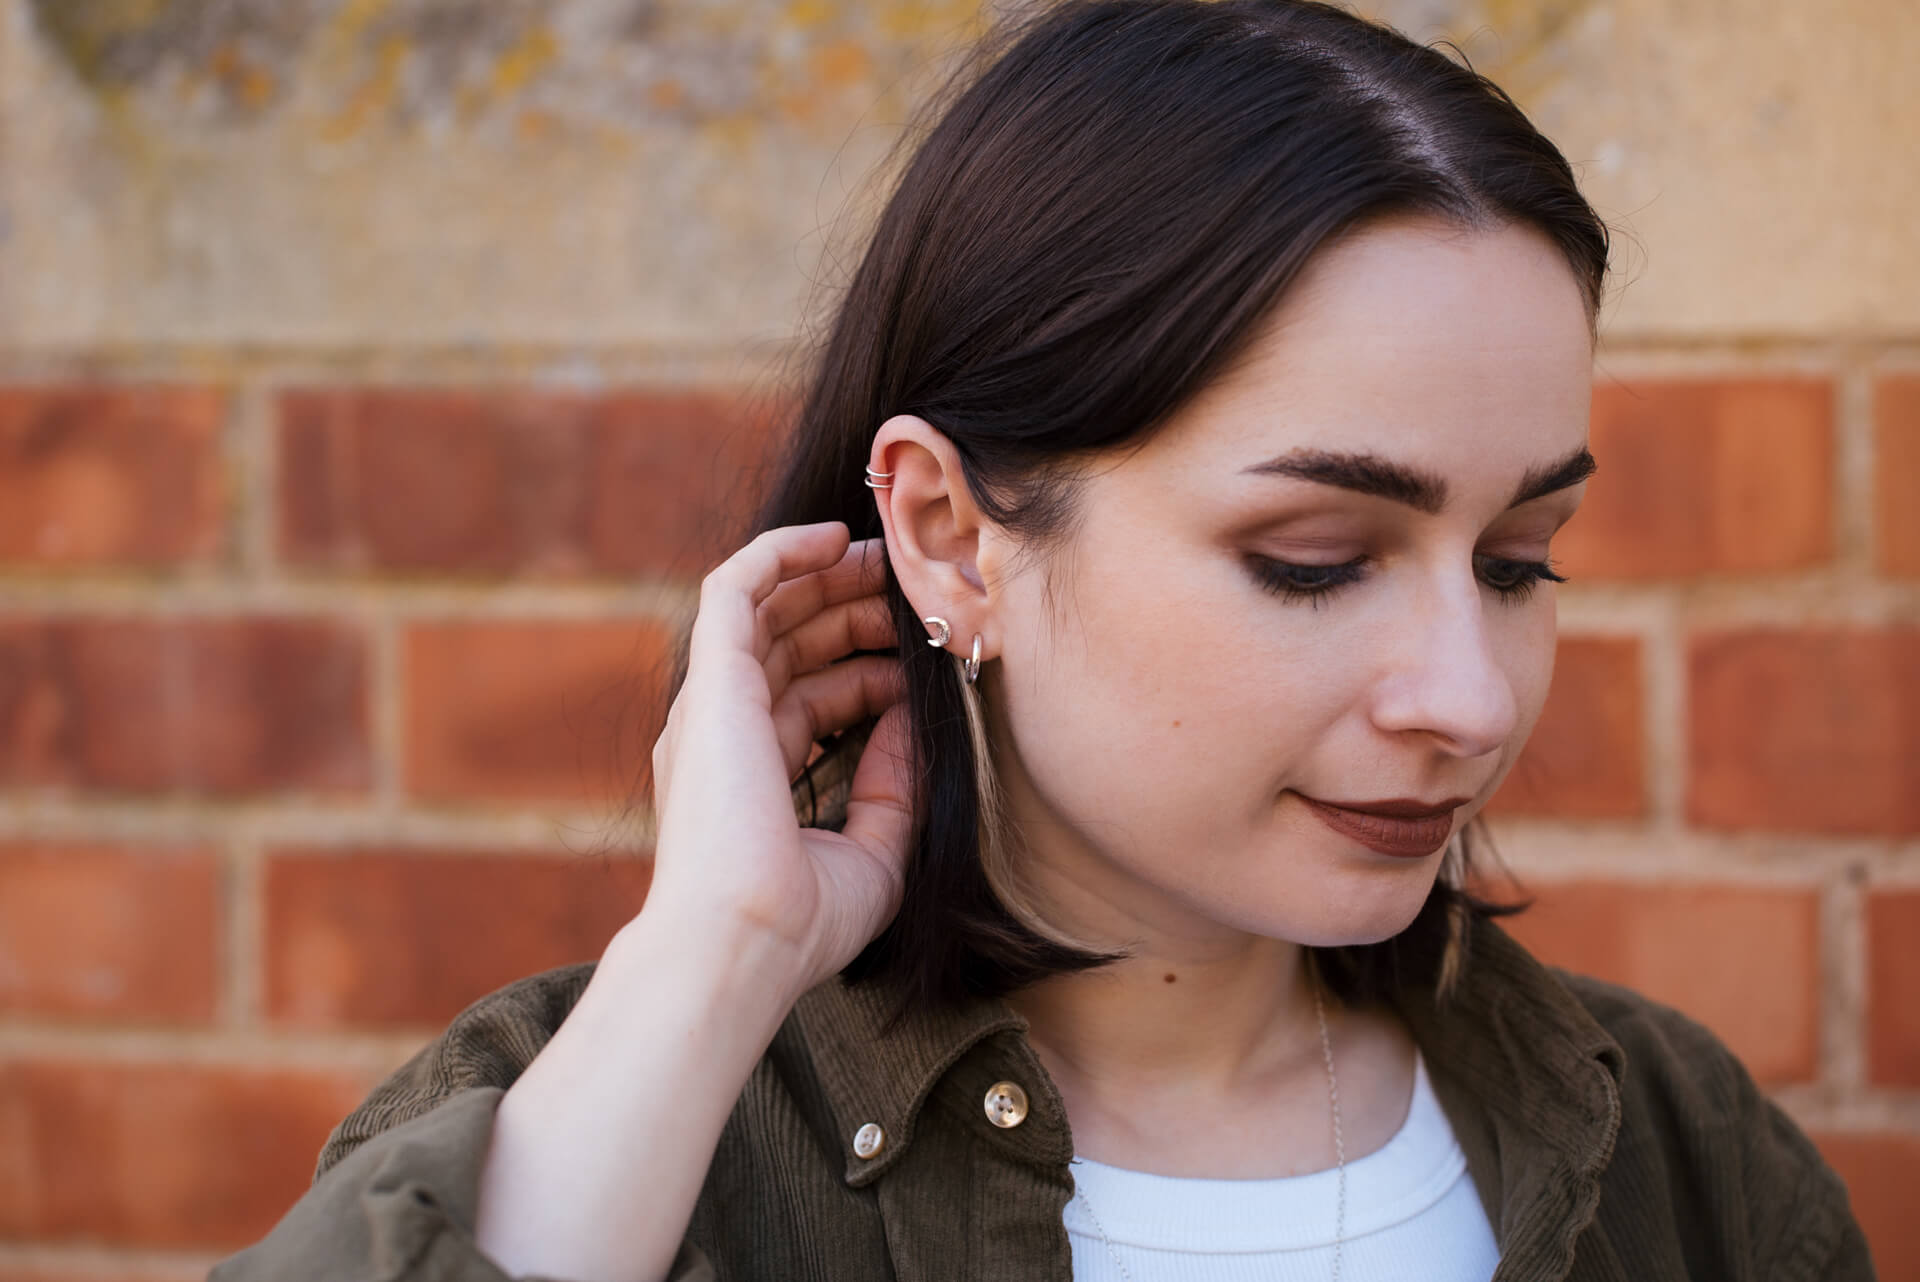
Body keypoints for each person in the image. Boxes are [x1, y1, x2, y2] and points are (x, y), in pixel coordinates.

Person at [213, 1, 1876, 1279]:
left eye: (1518, 561)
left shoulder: (1678, 1154)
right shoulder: (599, 1144)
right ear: (947, 532)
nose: (1465, 695)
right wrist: (713, 953)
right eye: (1312, 559)